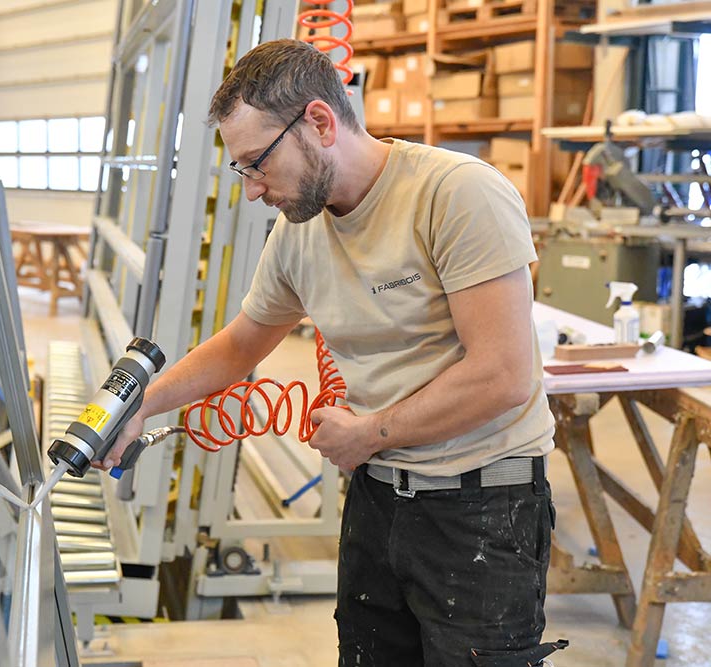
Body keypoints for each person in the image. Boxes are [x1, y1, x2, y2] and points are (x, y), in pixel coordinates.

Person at [98, 39, 558, 667]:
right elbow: (241, 343)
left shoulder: (456, 194)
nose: (253, 190)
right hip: (376, 498)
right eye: (242, 170)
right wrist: (140, 405)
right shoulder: (299, 231)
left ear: (318, 122)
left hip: (481, 507)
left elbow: (502, 376)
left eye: (258, 163)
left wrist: (369, 432)